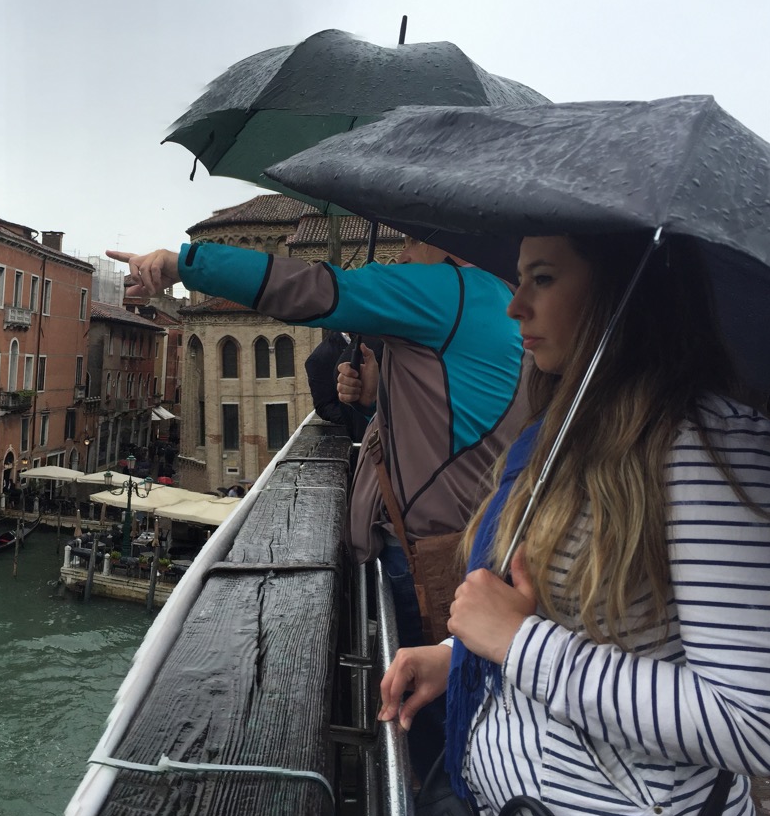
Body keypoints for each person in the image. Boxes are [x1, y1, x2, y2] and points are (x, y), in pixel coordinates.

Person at [375, 234, 770, 816]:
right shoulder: (566, 424)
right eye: (520, 279)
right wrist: (458, 656)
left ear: (622, 290)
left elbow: (753, 723)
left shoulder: (707, 448)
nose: (516, 306)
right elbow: (576, 617)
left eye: (543, 279)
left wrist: (518, 644)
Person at [115, 237, 526, 646]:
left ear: (454, 240)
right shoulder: (498, 297)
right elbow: (452, 425)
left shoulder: (448, 291)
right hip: (474, 542)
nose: (402, 255)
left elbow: (317, 288)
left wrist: (183, 264)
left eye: (416, 241)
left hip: (430, 552)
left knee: (421, 678)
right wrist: (372, 403)